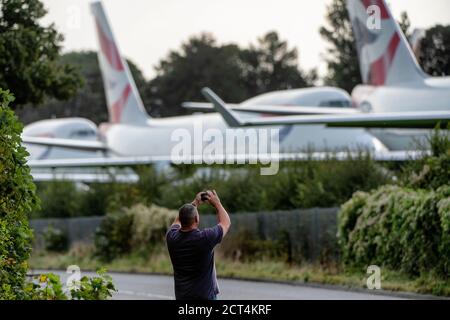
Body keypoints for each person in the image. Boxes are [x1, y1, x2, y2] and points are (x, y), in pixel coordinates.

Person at [166, 190, 231, 300]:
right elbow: (226, 223)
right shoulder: (205, 238)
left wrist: (195, 203)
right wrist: (217, 203)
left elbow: (177, 220)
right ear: (196, 219)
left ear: (181, 220)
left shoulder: (171, 237)